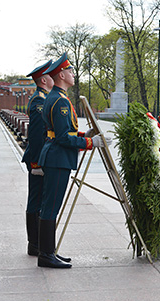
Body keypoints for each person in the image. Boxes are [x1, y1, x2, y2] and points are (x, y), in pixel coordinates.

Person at [38, 53, 112, 268]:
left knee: (51, 206)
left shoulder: (58, 97)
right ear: (61, 74)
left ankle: (48, 252)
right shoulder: (59, 101)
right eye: (69, 71)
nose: (72, 74)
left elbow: (64, 132)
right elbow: (62, 137)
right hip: (57, 159)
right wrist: (91, 143)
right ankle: (46, 255)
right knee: (51, 207)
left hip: (56, 158)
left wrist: (85, 136)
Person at [21, 60, 54, 258]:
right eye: (50, 75)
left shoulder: (43, 99)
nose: (53, 77)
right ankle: (33, 243)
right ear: (43, 80)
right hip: (37, 159)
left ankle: (36, 243)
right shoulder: (39, 102)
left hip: (39, 158)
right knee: (36, 200)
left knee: (39, 200)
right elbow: (35, 136)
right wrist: (37, 162)